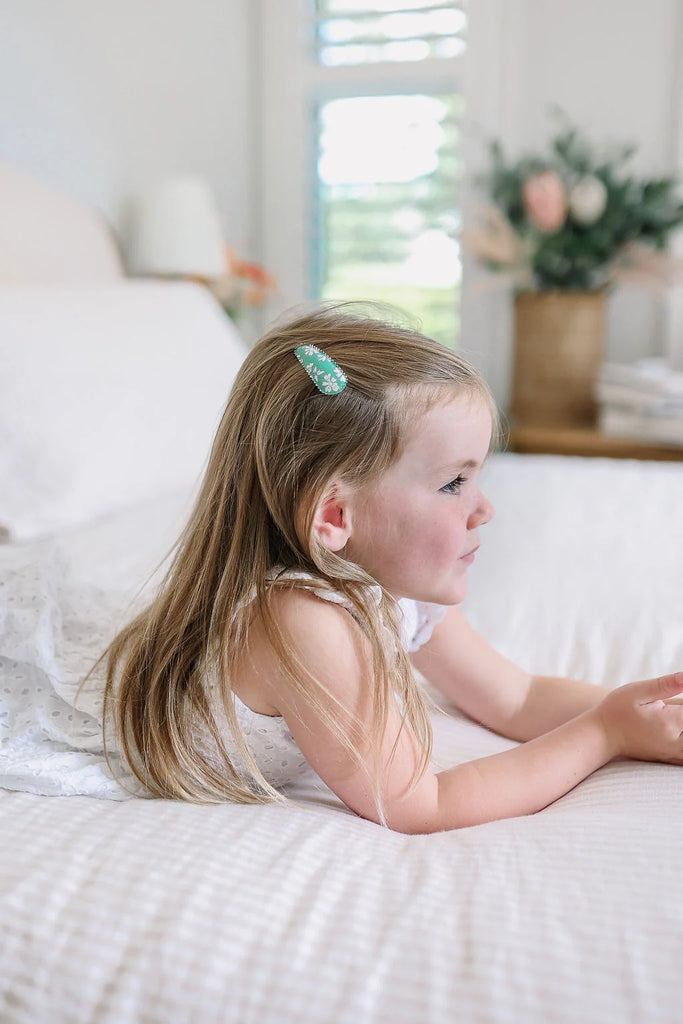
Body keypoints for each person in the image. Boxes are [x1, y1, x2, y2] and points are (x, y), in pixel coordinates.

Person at [97, 303, 683, 833]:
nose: (485, 509)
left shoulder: (399, 589)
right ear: (335, 515)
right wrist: (604, 732)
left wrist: (645, 711)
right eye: (454, 482)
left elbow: (517, 697)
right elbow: (420, 805)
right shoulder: (303, 622)